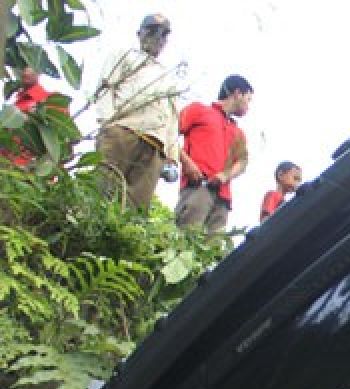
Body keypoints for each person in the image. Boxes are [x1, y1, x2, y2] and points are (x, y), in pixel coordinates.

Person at [92, 13, 181, 209]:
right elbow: (105, 90)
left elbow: (173, 118)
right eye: (152, 30)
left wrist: (172, 157)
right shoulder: (124, 56)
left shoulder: (168, 75)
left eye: (164, 33)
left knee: (135, 209)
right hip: (123, 132)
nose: (158, 37)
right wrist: (107, 125)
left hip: (154, 145)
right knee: (100, 194)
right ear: (139, 33)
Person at [176, 75, 253, 234]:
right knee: (186, 238)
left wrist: (225, 176)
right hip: (197, 187)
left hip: (223, 199)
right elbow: (169, 133)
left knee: (211, 250)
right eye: (248, 99)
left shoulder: (238, 132)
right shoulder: (199, 110)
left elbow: (242, 162)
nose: (248, 106)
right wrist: (187, 162)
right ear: (237, 93)